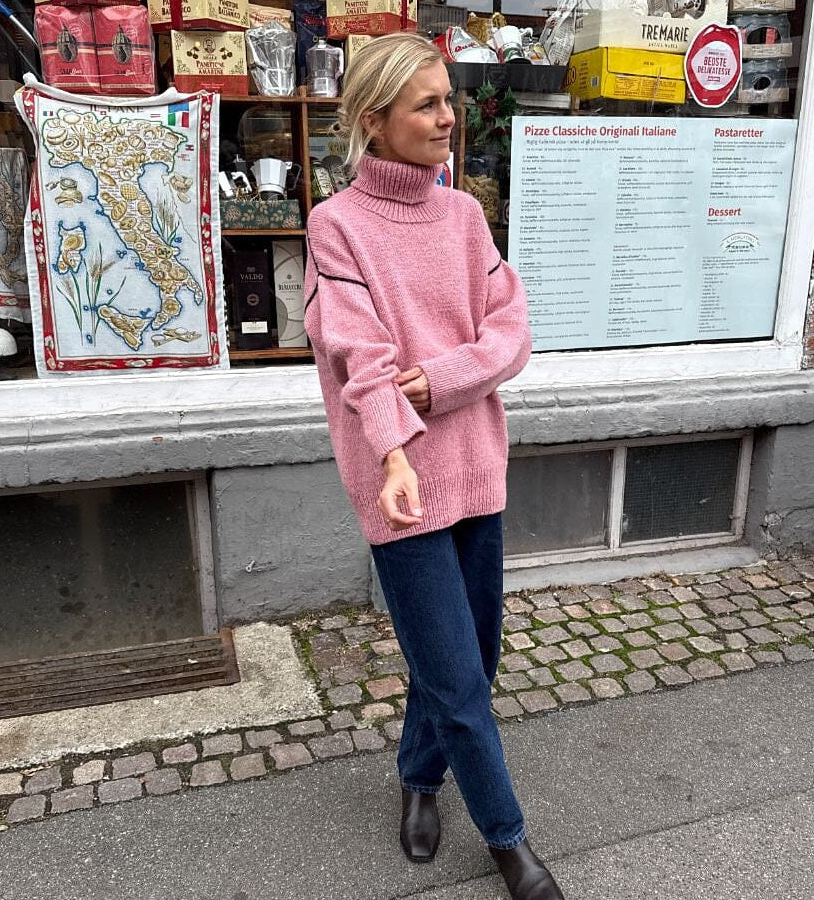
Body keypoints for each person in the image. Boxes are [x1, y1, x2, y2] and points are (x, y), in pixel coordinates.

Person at [303, 32, 566, 900]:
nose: (449, 118)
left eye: (449, 100)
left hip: (475, 466)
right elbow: (355, 358)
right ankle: (510, 844)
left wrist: (442, 379)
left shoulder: (464, 217)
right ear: (374, 121)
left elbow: (510, 334)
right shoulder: (335, 227)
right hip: (400, 484)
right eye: (427, 104)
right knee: (456, 677)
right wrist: (390, 448)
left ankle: (418, 777)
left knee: (470, 657)